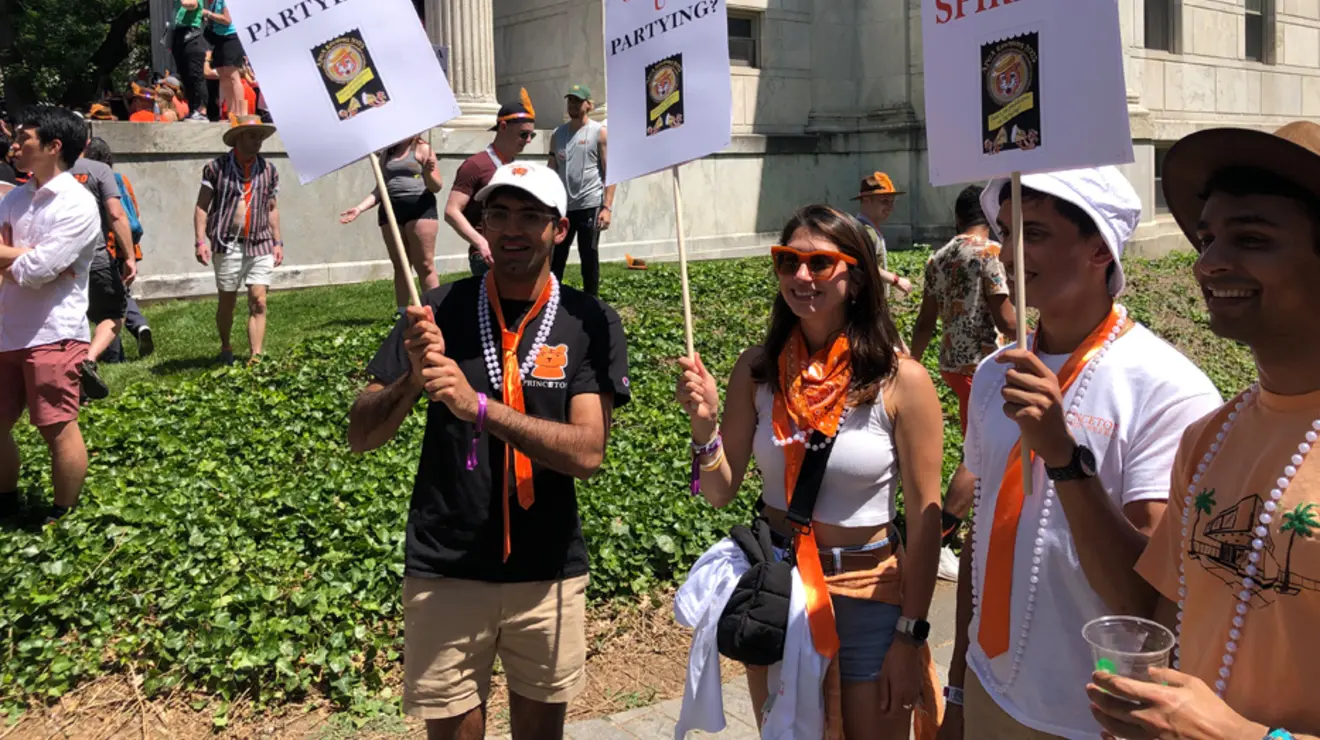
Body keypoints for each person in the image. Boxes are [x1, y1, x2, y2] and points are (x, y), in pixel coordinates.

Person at [938, 167, 1224, 740]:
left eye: (1036, 233)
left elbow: (1145, 601)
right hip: (990, 688)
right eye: (1008, 232)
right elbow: (985, 535)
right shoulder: (997, 375)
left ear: (1100, 249)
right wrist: (959, 689)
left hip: (1089, 719)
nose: (1011, 255)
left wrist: (1063, 456)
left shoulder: (1167, 389)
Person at [347, 161, 630, 739]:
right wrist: (412, 381)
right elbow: (361, 435)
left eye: (530, 215)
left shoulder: (588, 320)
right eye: (496, 213)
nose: (511, 228)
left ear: (559, 230)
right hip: (447, 566)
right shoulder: (438, 310)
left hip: (545, 567)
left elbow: (587, 453)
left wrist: (479, 407)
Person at [1084, 122, 1320, 740]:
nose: (1209, 262)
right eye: (1209, 237)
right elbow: (1169, 625)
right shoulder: (1208, 438)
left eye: (1250, 238)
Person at [676, 204, 946, 738]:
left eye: (819, 263)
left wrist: (910, 635)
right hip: (781, 590)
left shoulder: (901, 382)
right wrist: (704, 429)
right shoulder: (755, 371)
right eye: (787, 261)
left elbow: (925, 520)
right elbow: (719, 491)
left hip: (869, 591)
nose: (801, 276)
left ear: (858, 274)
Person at [910, 185, 1019, 583]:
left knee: (982, 445)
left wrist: (910, 365)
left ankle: (975, 529)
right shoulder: (990, 254)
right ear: (988, 218)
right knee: (981, 452)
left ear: (957, 218)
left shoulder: (938, 258)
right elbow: (1007, 320)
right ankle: (939, 539)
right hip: (987, 365)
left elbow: (925, 320)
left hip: (954, 366)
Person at [0, 106, 103, 523]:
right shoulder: (16, 198)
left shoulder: (77, 204)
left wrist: (15, 260)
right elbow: (38, 264)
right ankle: (5, 501)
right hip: (6, 329)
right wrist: (25, 259)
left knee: (55, 427)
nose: (14, 144)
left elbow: (39, 273)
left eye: (24, 138)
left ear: (53, 146)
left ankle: (63, 515)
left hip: (53, 333)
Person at [193, 116, 283, 366]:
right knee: (227, 302)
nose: (258, 142)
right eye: (253, 136)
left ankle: (256, 355)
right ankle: (226, 345)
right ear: (239, 137)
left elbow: (272, 208)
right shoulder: (215, 168)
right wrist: (200, 241)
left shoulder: (269, 170)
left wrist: (278, 242)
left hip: (260, 242)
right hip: (226, 242)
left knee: (259, 300)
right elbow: (202, 206)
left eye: (260, 137)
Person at [339, 137, 444, 314]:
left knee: (425, 264)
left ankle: (435, 310)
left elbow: (436, 186)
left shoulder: (422, 149)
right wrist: (359, 208)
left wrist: (428, 171)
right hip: (391, 209)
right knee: (401, 265)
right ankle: (402, 312)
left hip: (420, 207)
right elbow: (380, 188)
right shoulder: (387, 153)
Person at [69, 129, 137, 399]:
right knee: (114, 312)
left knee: (70, 319)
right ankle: (89, 358)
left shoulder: (47, 170)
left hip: (55, 260)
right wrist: (129, 256)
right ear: (86, 142)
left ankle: (72, 379)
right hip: (94, 256)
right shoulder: (98, 169)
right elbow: (116, 214)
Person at [445, 89, 537, 277]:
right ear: (503, 127)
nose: (527, 141)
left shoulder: (516, 167)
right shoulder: (476, 165)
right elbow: (451, 211)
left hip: (515, 251)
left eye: (531, 136)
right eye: (523, 134)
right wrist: (480, 242)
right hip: (487, 256)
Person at [82, 138, 154, 362]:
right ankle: (139, 325)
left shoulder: (88, 179)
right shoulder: (121, 179)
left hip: (106, 246)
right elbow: (132, 212)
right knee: (119, 294)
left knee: (107, 306)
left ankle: (114, 357)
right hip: (127, 244)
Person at [547, 83, 616, 297]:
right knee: (556, 255)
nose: (573, 105)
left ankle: (591, 300)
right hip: (564, 207)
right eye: (570, 100)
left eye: (578, 101)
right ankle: (551, 298)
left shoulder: (599, 133)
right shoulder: (557, 134)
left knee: (589, 255)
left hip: (590, 205)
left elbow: (610, 172)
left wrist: (607, 207)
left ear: (589, 105)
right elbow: (552, 170)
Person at [854, 172, 913, 297]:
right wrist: (896, 280)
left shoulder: (870, 229)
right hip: (866, 302)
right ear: (866, 200)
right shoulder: (866, 231)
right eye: (884, 201)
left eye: (892, 201)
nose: (890, 207)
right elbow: (866, 265)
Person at [201, 0, 246, 118]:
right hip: (218, 39)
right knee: (223, 75)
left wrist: (208, 14)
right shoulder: (214, 3)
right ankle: (231, 112)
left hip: (230, 38)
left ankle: (241, 112)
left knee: (233, 76)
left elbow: (227, 20)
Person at [169, 0, 209, 123]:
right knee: (185, 76)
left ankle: (202, 111)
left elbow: (192, 4)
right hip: (179, 36)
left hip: (193, 36)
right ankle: (192, 109)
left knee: (195, 75)